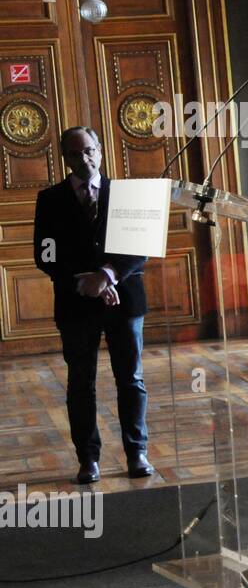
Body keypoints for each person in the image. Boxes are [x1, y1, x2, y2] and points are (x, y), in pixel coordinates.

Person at [34, 127, 152, 485]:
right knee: (80, 383)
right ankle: (88, 459)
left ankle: (137, 452)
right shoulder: (50, 199)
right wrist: (88, 282)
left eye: (88, 151)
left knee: (130, 379)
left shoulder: (127, 194)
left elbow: (139, 248)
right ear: (65, 159)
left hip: (124, 300)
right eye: (74, 154)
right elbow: (45, 253)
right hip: (76, 303)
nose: (83, 159)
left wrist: (107, 275)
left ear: (99, 150)